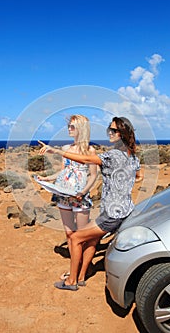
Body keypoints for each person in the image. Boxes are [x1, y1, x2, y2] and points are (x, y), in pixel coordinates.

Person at [39, 116, 143, 290]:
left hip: (112, 214)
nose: (110, 133)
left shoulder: (114, 155)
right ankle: (81, 275)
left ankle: (71, 281)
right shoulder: (132, 156)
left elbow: (87, 160)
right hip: (124, 210)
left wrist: (56, 151)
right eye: (109, 130)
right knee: (91, 240)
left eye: (114, 130)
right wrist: (122, 186)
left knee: (75, 238)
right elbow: (140, 177)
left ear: (123, 133)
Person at [37, 114, 97, 279]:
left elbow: (93, 175)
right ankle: (75, 267)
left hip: (80, 198)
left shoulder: (90, 151)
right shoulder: (65, 148)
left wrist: (83, 192)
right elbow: (63, 171)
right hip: (63, 196)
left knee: (81, 236)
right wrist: (47, 178)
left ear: (81, 129)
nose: (69, 129)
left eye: (72, 126)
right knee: (70, 234)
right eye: (69, 126)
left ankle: (85, 268)